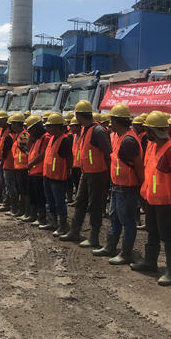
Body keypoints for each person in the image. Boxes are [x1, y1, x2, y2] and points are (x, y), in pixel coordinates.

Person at [130, 111, 171, 286]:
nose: (146, 133)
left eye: (148, 130)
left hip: (165, 201)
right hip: (151, 198)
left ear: (153, 131)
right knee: (152, 231)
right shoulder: (152, 146)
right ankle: (150, 262)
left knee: (167, 235)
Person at [93, 103, 143, 265]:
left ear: (117, 121)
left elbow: (138, 167)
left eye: (112, 120)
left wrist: (142, 188)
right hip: (117, 185)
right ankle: (110, 246)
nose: (110, 124)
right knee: (114, 217)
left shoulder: (129, 140)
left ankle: (126, 253)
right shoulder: (116, 136)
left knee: (127, 220)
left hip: (127, 187)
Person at [60, 100, 111, 248]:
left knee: (95, 206)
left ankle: (94, 238)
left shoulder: (98, 131)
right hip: (87, 172)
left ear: (80, 115)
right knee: (80, 202)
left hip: (98, 174)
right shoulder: (85, 130)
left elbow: (108, 154)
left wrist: (107, 177)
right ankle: (74, 231)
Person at [41, 113, 72, 235]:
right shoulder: (52, 138)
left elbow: (69, 159)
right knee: (50, 201)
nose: (47, 128)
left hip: (58, 177)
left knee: (59, 202)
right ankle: (53, 222)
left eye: (50, 126)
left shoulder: (64, 140)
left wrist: (68, 172)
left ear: (57, 127)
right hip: (48, 175)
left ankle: (63, 226)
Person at [25, 115, 50, 225]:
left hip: (39, 172)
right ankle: (33, 215)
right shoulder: (37, 138)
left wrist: (31, 163)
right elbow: (28, 149)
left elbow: (42, 154)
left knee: (40, 197)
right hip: (33, 172)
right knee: (33, 195)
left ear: (37, 128)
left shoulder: (46, 138)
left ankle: (41, 218)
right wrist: (31, 138)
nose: (30, 132)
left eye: (31, 130)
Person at [0, 114, 19, 213]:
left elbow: (5, 152)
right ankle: (10, 204)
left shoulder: (10, 137)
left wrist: (2, 161)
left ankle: (10, 205)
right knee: (9, 185)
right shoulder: (15, 135)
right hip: (13, 164)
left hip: (8, 164)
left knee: (8, 185)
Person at [11, 116, 30, 218]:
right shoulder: (18, 135)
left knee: (24, 191)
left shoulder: (24, 135)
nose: (12, 126)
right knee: (20, 191)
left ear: (18, 124)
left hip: (23, 167)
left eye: (13, 124)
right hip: (18, 167)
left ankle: (26, 211)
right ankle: (21, 210)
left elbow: (26, 150)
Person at [67, 117, 83, 207]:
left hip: (81, 165)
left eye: (72, 126)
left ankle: (81, 202)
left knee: (82, 186)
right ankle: (78, 200)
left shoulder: (83, 136)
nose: (70, 128)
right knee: (76, 185)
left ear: (78, 126)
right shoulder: (74, 136)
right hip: (74, 165)